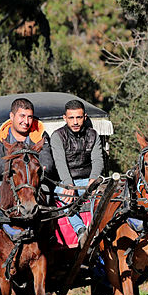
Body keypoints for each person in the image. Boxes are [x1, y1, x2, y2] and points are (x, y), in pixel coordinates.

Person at [0, 97, 54, 202]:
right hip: (5, 181)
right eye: (22, 116)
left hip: (34, 182)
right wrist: (18, 167)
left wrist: (37, 170)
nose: (26, 122)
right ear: (12, 116)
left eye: (30, 117)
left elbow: (47, 162)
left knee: (46, 197)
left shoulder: (40, 136)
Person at [50, 99, 104, 246]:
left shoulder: (93, 135)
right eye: (71, 118)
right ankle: (81, 230)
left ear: (84, 117)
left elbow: (98, 160)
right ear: (65, 118)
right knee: (63, 196)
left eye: (79, 117)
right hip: (67, 181)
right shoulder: (58, 136)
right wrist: (68, 185)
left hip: (88, 180)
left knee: (106, 195)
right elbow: (60, 163)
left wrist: (93, 179)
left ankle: (98, 230)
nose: (75, 122)